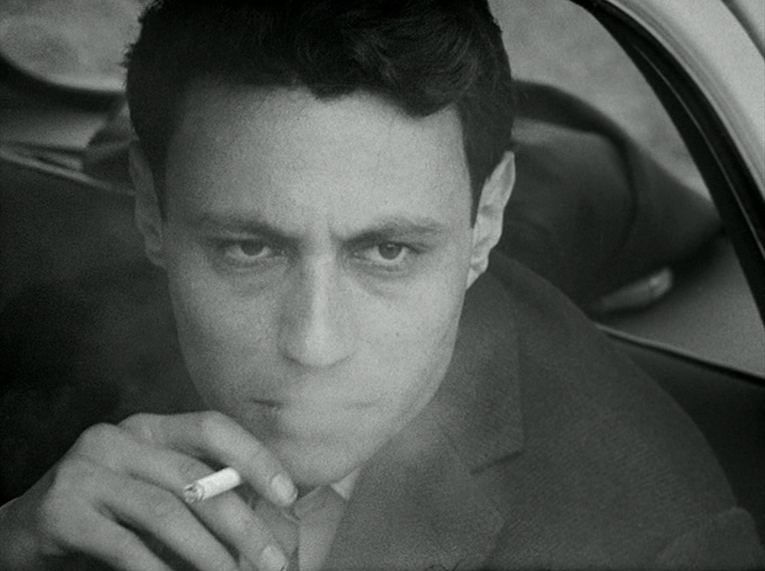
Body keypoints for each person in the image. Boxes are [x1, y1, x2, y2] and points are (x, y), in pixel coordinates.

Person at [0, 1, 762, 569]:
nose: (313, 344)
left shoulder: (654, 542)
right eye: (248, 248)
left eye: (388, 251)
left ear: (485, 218)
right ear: (149, 208)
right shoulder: (51, 330)